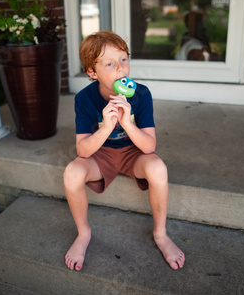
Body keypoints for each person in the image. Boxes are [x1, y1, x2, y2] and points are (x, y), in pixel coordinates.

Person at [63, 30, 185, 271]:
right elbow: (83, 150)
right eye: (110, 64)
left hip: (134, 153)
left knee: (158, 168)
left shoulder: (141, 94)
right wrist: (107, 126)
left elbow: (150, 146)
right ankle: (83, 233)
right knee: (71, 173)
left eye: (123, 59)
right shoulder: (84, 99)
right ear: (92, 72)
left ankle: (161, 234)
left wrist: (127, 122)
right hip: (100, 155)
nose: (120, 68)